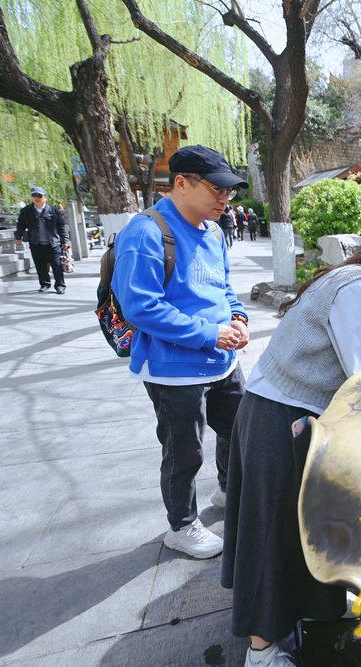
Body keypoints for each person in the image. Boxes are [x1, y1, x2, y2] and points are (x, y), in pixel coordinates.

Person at [222, 217, 361, 667]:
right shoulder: (357, 289)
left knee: (308, 525)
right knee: (273, 534)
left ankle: (314, 611)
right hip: (278, 413)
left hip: (304, 413)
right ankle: (260, 651)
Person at [112, 145, 249, 559]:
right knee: (183, 450)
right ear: (181, 183)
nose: (225, 199)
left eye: (230, 192)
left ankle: (226, 490)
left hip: (223, 360)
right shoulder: (146, 231)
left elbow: (222, 286)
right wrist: (210, 333)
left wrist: (238, 316)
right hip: (174, 370)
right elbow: (142, 307)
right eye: (216, 190)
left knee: (241, 428)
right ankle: (182, 525)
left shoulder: (214, 231)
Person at [14, 186, 70, 294]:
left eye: (39, 196)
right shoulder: (26, 211)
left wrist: (65, 241)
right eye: (34, 195)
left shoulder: (54, 211)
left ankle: (60, 286)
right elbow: (20, 225)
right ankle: (44, 284)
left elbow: (62, 227)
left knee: (56, 265)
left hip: (53, 243)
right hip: (36, 243)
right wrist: (18, 237)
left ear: (45, 198)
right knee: (40, 266)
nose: (37, 198)